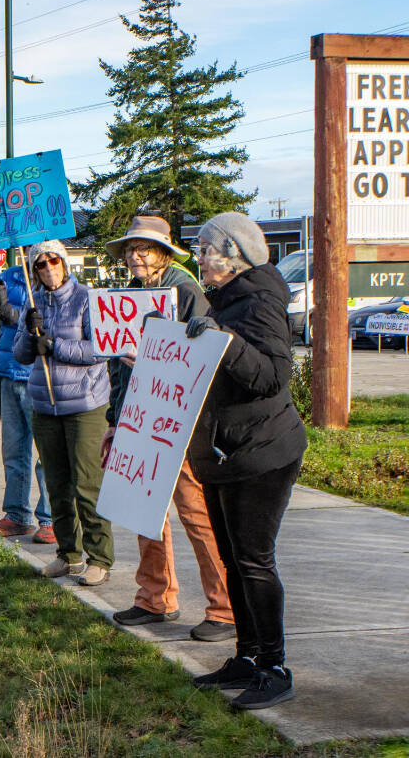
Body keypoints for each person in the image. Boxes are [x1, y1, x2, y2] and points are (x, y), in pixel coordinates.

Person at [184, 213, 307, 711]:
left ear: (234, 254)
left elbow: (273, 376)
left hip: (263, 452)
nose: (200, 258)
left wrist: (225, 341)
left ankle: (274, 666)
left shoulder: (258, 301)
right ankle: (247, 656)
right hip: (226, 452)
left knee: (254, 560)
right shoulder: (227, 300)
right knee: (232, 560)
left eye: (206, 249)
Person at [99, 216, 234, 643]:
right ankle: (154, 598)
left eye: (145, 247)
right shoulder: (131, 296)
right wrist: (114, 420)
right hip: (138, 418)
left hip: (177, 421)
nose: (136, 254)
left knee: (195, 513)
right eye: (130, 248)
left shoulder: (185, 288)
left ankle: (225, 608)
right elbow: (118, 368)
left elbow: (200, 358)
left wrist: (153, 361)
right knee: (144, 510)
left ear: (164, 251)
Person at [13, 240, 113, 586]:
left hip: (84, 403)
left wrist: (56, 346)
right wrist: (29, 331)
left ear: (65, 263)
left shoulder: (87, 299)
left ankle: (99, 556)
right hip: (45, 403)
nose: (49, 268)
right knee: (56, 484)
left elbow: (101, 348)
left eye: (54, 260)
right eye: (40, 264)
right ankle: (68, 554)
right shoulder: (33, 300)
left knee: (87, 483)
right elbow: (22, 356)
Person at [0, 265, 55, 544]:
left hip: (43, 375)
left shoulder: (55, 275)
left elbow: (56, 321)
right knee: (14, 449)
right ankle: (17, 514)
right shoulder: (9, 275)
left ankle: (52, 518)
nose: (33, 252)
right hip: (11, 373)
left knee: (48, 453)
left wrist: (17, 316)